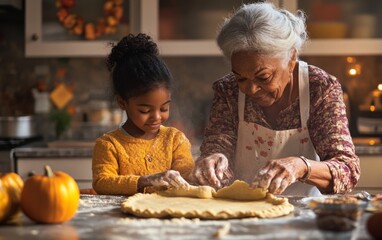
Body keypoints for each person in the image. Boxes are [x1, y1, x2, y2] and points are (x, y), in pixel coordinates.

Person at [190, 2, 360, 196]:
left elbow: (347, 171)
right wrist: (214, 163)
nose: (250, 89)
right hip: (241, 209)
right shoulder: (227, 90)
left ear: (291, 59)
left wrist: (301, 166)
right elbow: (217, 151)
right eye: (241, 78)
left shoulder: (319, 88)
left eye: (263, 77)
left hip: (302, 215)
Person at [92, 33, 194, 195]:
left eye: (164, 108)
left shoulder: (175, 140)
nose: (157, 117)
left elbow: (187, 175)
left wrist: (199, 173)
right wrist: (144, 180)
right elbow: (102, 182)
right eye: (145, 110)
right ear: (122, 103)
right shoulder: (109, 145)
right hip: (125, 217)